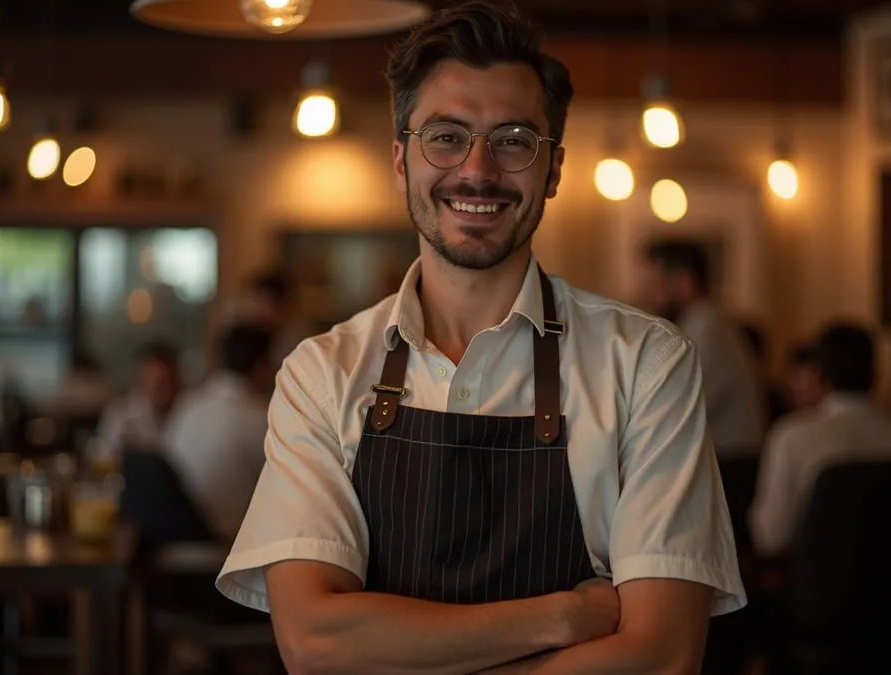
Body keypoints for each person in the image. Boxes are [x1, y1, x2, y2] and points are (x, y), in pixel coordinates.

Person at [216, 3, 745, 673]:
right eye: (446, 136)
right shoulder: (322, 373)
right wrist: (562, 615)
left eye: (514, 139)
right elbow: (316, 643)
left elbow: (662, 655)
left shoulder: (646, 364)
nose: (478, 170)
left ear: (552, 169)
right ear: (401, 160)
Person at [748, 322, 891, 558]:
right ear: (876, 375)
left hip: (817, 586)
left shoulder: (792, 436)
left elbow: (770, 537)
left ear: (820, 376)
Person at [640, 240, 765, 458]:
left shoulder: (706, 334)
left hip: (730, 465)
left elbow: (677, 406)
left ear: (684, 282)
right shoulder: (703, 325)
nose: (648, 294)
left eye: (656, 284)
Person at [164, 324, 274, 543]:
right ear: (262, 366)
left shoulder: (188, 404)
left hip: (169, 539)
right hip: (222, 547)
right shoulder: (259, 417)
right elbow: (279, 489)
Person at [92, 341, 181, 467]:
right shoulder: (122, 415)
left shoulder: (187, 411)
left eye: (164, 383)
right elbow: (103, 458)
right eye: (150, 383)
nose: (157, 392)